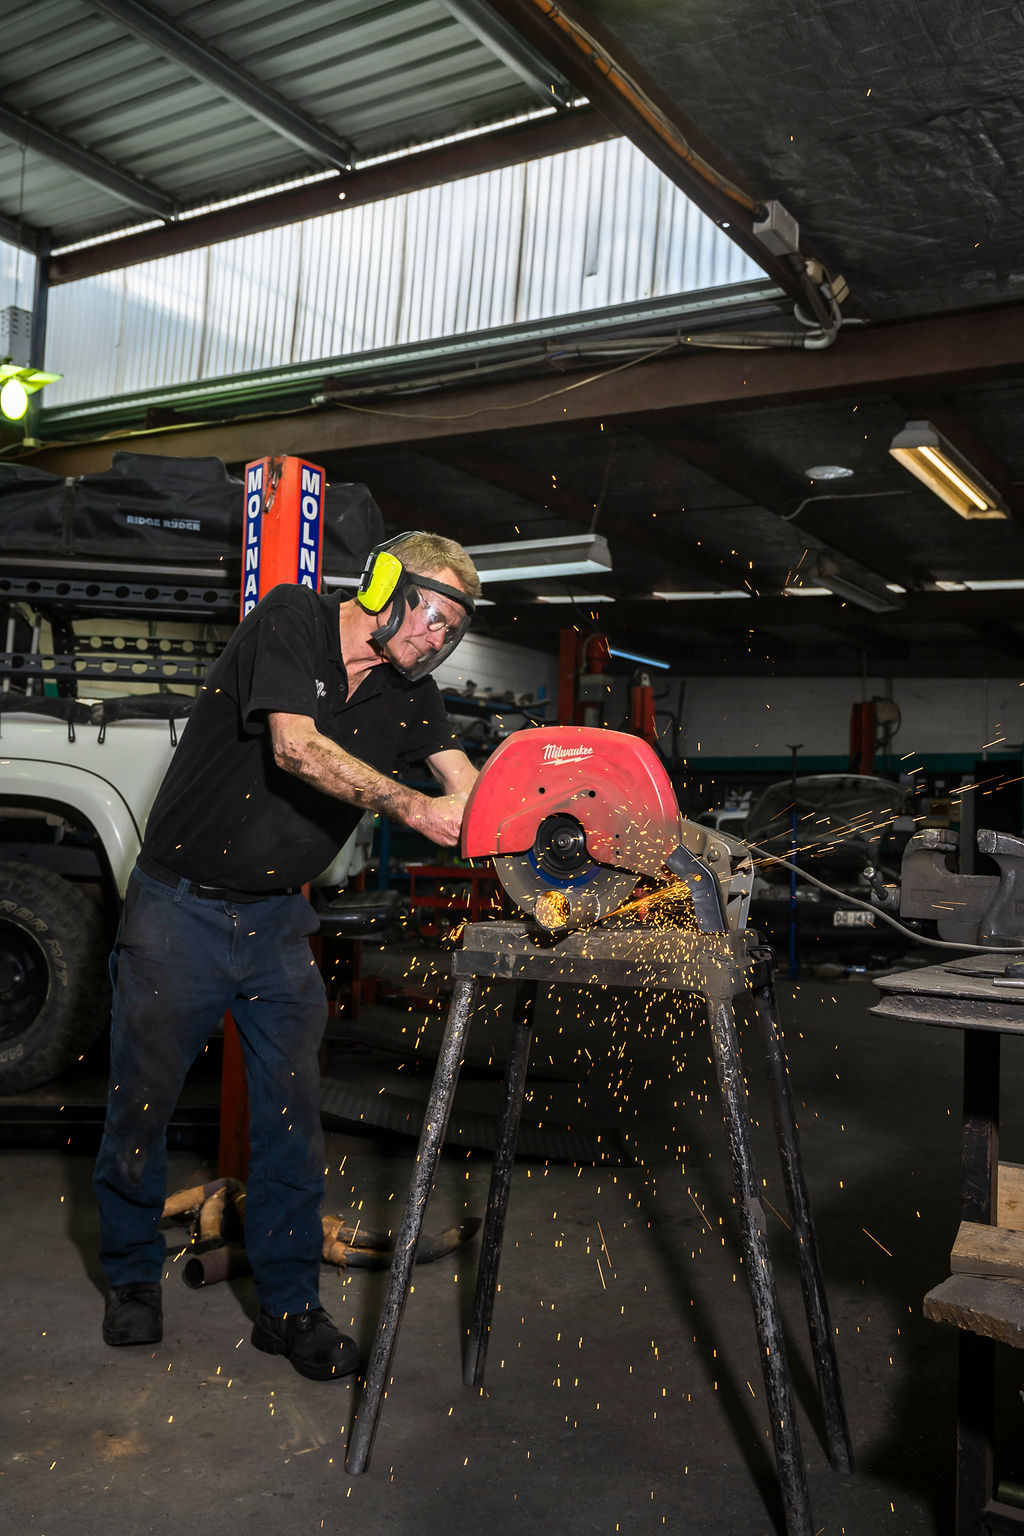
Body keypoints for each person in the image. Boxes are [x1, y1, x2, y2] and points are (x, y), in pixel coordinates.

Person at [93, 531, 481, 1380]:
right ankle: (130, 1280)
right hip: (176, 913)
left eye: (454, 627)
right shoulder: (291, 619)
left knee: (290, 1123)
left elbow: (470, 789)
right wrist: (416, 811)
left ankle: (290, 1306)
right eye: (431, 612)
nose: (437, 637)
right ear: (384, 581)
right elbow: (294, 746)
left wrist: (550, 821)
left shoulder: (411, 694)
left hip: (276, 927)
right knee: (140, 1108)